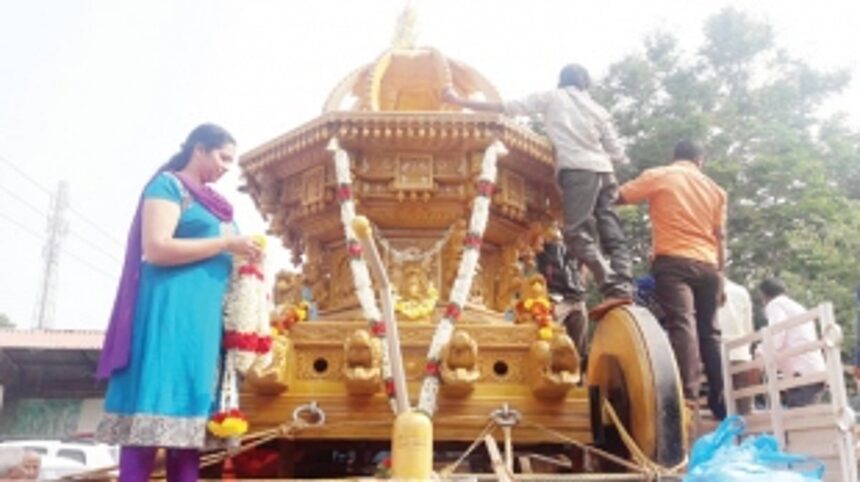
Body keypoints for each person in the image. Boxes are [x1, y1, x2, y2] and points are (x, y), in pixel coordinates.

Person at [95, 124, 262, 482]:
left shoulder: (218, 205)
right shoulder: (168, 186)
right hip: (168, 315)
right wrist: (225, 245)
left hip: (203, 325)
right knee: (150, 415)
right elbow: (156, 248)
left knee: (189, 429)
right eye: (222, 157)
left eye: (231, 161)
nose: (226, 167)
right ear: (199, 149)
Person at [442, 63, 634, 315]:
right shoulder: (597, 109)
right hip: (605, 172)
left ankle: (612, 285)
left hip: (578, 170)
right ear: (585, 84)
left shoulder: (553, 97)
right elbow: (618, 153)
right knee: (612, 231)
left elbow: (507, 108)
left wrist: (460, 101)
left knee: (575, 233)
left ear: (561, 81)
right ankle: (624, 284)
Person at [618, 139, 728, 420]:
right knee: (710, 331)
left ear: (674, 156)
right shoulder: (716, 190)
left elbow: (620, 197)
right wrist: (721, 275)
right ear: (700, 161)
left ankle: (688, 397)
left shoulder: (661, 175)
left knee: (682, 323)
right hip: (708, 264)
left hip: (674, 260)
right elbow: (720, 237)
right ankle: (719, 399)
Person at [757, 278, 827, 407]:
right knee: (803, 418)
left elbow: (777, 335)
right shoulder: (797, 307)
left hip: (801, 373)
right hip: (812, 369)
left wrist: (760, 353)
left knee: (799, 420)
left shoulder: (775, 304)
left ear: (764, 296)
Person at [717, 277, 755, 414]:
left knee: (721, 405)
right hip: (741, 351)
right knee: (744, 406)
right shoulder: (741, 291)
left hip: (715, 352)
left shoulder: (702, 290)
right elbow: (748, 326)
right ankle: (745, 433)